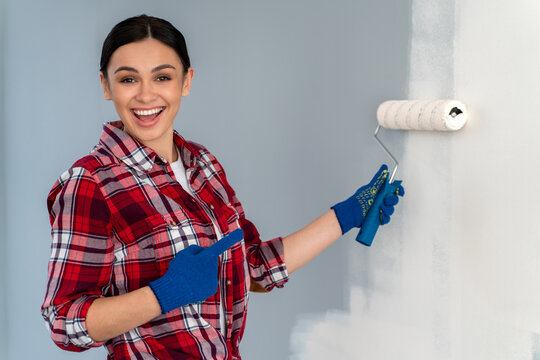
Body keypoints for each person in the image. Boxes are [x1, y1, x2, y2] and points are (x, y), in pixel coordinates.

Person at [41, 14, 404, 360]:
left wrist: (348, 213)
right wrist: (163, 294)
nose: (146, 96)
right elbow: (63, 320)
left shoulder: (204, 165)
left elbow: (251, 269)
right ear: (106, 85)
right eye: (128, 79)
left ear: (186, 80)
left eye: (163, 77)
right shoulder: (90, 183)